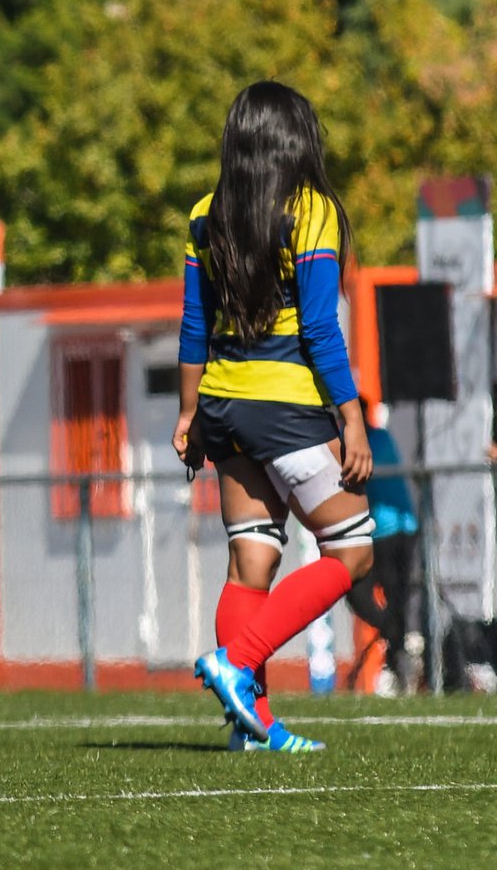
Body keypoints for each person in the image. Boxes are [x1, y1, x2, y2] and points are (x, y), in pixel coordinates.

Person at [175, 80, 374, 753]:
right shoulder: (310, 209)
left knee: (250, 561)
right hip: (287, 407)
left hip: (224, 407)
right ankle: (237, 664)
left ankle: (252, 728)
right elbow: (320, 326)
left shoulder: (207, 213)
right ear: (295, 140)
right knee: (352, 549)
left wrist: (187, 413)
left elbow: (193, 324)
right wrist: (350, 416)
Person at [343, 397, 420, 694]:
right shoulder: (375, 438)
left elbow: (354, 476)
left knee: (393, 596)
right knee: (360, 592)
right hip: (385, 535)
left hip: (392, 534)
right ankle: (396, 644)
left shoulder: (374, 440)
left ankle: (398, 653)